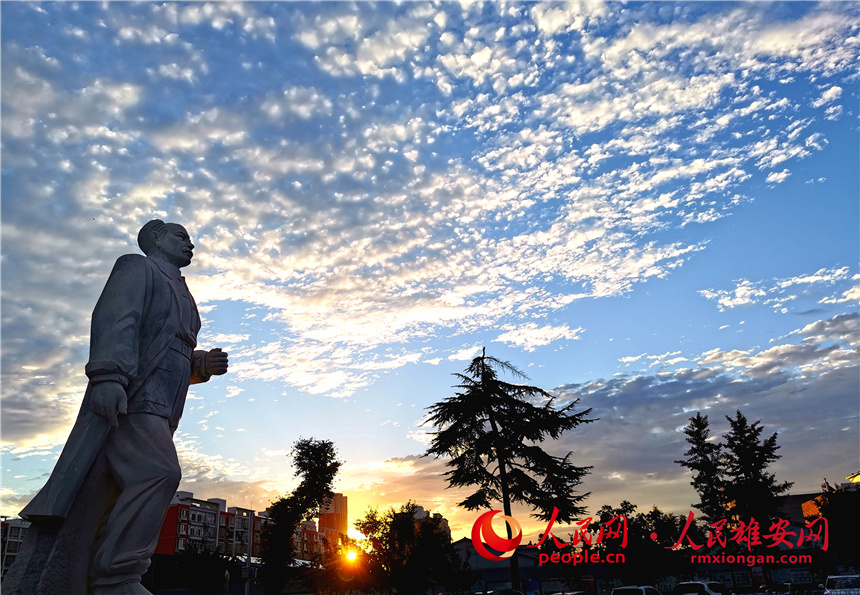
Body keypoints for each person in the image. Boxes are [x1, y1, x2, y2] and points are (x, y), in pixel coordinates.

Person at [10, 220, 228, 595]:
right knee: (158, 472)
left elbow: (166, 345)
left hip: (164, 401)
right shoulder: (137, 266)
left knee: (114, 492)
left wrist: (201, 364)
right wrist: (108, 376)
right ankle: (117, 576)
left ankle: (101, 575)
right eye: (181, 236)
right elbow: (118, 319)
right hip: (134, 394)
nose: (190, 244)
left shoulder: (183, 291)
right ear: (155, 239)